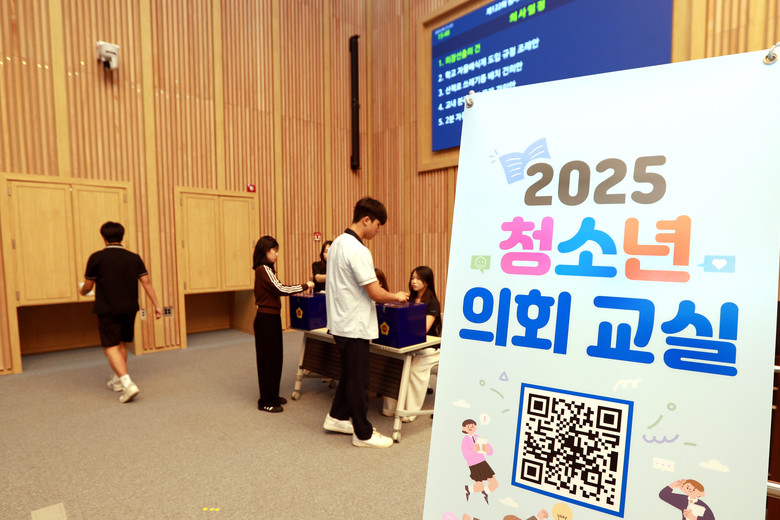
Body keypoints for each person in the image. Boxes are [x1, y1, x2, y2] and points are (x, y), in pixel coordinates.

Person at [322, 197, 408, 448]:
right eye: (378, 225)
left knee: (350, 373)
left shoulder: (337, 243)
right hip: (354, 324)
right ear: (366, 220)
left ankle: (336, 418)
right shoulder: (358, 250)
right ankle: (363, 434)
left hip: (341, 321)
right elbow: (375, 293)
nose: (378, 231)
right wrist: (396, 296)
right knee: (359, 381)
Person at [79, 221, 162, 403]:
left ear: (104, 237)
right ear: (122, 236)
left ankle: (127, 383)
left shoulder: (97, 258)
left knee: (110, 346)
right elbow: (146, 282)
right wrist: (156, 305)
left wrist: (82, 291)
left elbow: (88, 286)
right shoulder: (134, 258)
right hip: (129, 308)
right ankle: (118, 380)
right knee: (121, 342)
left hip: (108, 308)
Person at [253, 235, 314, 413]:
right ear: (265, 251)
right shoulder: (263, 269)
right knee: (267, 360)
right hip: (265, 319)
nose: (277, 254)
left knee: (275, 358)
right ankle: (266, 401)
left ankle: (272, 395)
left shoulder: (268, 269)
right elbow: (281, 289)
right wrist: (305, 285)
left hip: (272, 318)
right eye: (274, 250)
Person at [382, 265, 441, 421]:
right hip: (408, 345)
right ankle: (390, 407)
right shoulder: (409, 299)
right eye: (412, 278)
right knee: (394, 364)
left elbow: (424, 329)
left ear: (427, 282)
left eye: (418, 279)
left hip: (429, 348)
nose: (414, 281)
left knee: (414, 369)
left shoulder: (432, 302)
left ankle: (408, 411)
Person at [461, 418, 499, 504]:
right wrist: (473, 450)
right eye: (468, 426)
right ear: (464, 428)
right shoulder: (465, 440)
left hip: (482, 462)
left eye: (472, 426)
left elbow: (490, 451)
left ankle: (484, 492)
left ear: (475, 427)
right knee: (479, 486)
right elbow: (466, 455)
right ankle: (468, 489)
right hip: (474, 465)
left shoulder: (478, 437)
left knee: (494, 484)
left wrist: (487, 450)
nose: (470, 428)